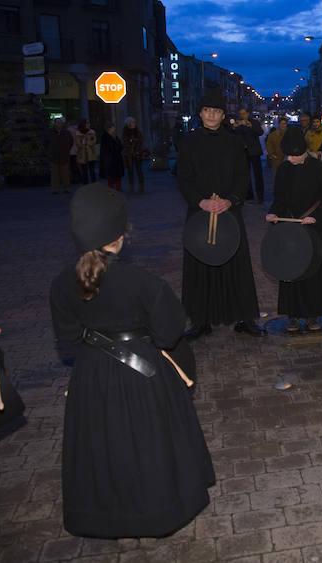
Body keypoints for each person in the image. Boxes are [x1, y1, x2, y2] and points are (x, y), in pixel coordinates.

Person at [49, 183, 215, 538]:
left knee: (102, 446)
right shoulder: (142, 282)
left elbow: (68, 338)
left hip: (92, 374)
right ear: (120, 237)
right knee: (147, 443)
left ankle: (105, 517)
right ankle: (157, 513)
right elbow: (170, 331)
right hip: (142, 375)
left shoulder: (62, 284)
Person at [176, 89, 265, 340]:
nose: (211, 115)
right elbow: (183, 178)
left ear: (223, 115)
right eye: (207, 110)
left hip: (229, 210)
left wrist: (231, 200)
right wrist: (200, 201)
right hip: (200, 211)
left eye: (216, 111)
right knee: (200, 264)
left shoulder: (234, 142)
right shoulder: (189, 141)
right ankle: (200, 320)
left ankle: (244, 318)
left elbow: (242, 177)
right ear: (200, 113)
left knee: (237, 265)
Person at [266, 128, 322, 332]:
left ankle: (312, 314)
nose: (290, 159)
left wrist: (317, 217)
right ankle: (292, 314)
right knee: (291, 271)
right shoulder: (284, 169)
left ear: (303, 151)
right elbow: (279, 198)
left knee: (313, 272)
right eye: (288, 155)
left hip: (314, 228)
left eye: (294, 155)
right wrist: (273, 213)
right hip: (291, 229)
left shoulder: (319, 169)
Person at [233, 108, 265, 202]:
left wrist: (251, 126)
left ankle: (260, 196)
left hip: (254, 152)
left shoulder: (254, 122)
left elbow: (260, 132)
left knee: (258, 175)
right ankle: (249, 195)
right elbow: (233, 136)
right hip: (244, 153)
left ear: (247, 113)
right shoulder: (238, 123)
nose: (242, 115)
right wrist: (234, 127)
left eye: (243, 113)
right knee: (246, 175)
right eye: (240, 114)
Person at [48, 117, 74, 194]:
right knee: (54, 174)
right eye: (58, 122)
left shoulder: (67, 133)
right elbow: (46, 142)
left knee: (65, 174)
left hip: (64, 155)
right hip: (54, 156)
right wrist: (50, 151)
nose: (59, 124)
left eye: (61, 122)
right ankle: (55, 189)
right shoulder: (50, 133)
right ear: (55, 123)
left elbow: (71, 142)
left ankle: (66, 188)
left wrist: (66, 150)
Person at [121, 117, 145, 194]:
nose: (134, 124)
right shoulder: (125, 132)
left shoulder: (137, 131)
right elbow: (125, 142)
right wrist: (132, 142)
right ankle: (131, 187)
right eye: (132, 122)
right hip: (129, 154)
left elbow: (140, 141)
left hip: (137, 153)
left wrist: (134, 143)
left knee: (139, 170)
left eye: (134, 122)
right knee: (130, 170)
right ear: (128, 124)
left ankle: (141, 187)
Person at [99, 123, 124, 191]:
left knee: (117, 176)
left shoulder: (115, 136)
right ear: (109, 128)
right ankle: (112, 190)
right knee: (111, 176)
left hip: (116, 159)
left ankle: (118, 189)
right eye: (113, 127)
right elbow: (106, 149)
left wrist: (120, 146)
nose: (114, 128)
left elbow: (119, 146)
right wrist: (116, 148)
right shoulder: (105, 137)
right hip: (110, 160)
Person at [75, 119, 98, 184]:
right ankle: (85, 182)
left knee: (92, 169)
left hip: (91, 153)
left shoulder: (92, 132)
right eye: (87, 123)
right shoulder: (78, 133)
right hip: (82, 154)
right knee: (84, 169)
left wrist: (87, 142)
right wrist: (83, 144)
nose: (89, 125)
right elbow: (78, 143)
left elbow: (94, 141)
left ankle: (93, 182)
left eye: (89, 123)